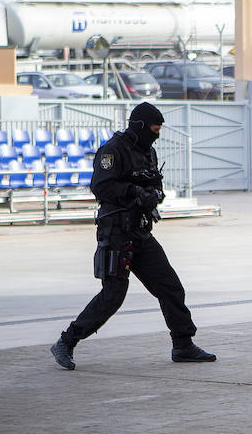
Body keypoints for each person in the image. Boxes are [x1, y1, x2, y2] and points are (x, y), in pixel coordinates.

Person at [50, 102, 215, 370]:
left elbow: (155, 182)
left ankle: (183, 344)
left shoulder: (148, 151)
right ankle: (66, 341)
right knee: (113, 295)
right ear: (139, 126)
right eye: (153, 129)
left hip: (140, 232)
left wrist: (154, 194)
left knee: (170, 286)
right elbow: (101, 186)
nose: (156, 135)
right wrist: (134, 192)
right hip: (116, 232)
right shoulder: (113, 150)